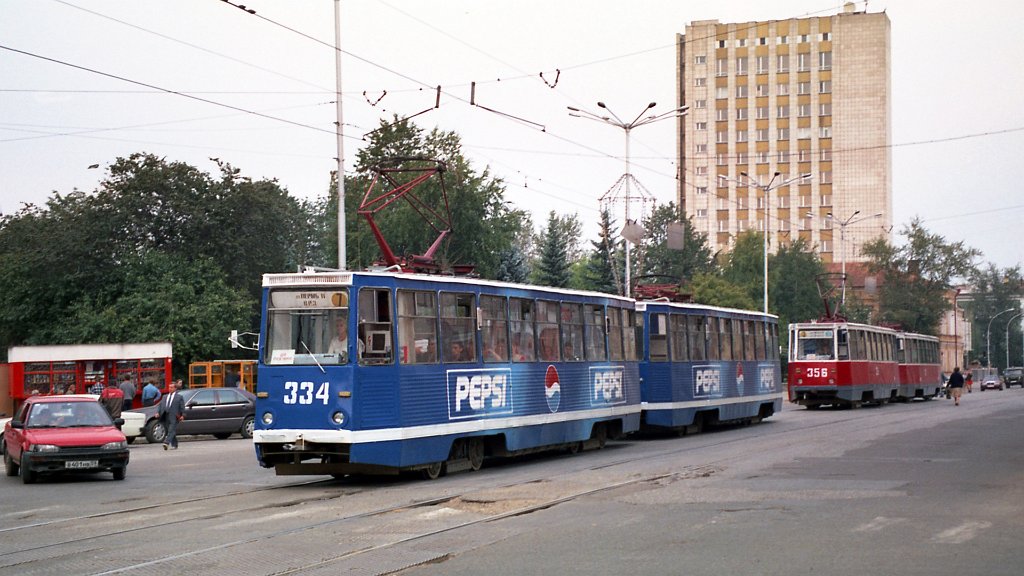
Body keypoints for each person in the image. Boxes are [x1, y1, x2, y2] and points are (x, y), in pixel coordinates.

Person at [158, 379, 186, 450]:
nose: (170, 389)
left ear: (175, 388)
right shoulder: (165, 396)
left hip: (175, 416)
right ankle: (175, 444)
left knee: (171, 429)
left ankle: (166, 443)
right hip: (166, 415)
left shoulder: (179, 397)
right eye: (169, 387)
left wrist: (183, 415)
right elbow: (161, 405)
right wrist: (158, 412)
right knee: (170, 430)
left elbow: (182, 406)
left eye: (171, 387)